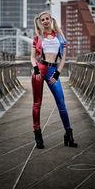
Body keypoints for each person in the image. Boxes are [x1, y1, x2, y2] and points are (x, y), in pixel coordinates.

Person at [31, 11, 77, 149]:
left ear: (51, 19)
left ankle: (68, 134)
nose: (45, 21)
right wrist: (36, 69)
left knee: (61, 104)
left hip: (53, 71)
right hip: (40, 69)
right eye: (42, 19)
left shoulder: (60, 37)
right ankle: (38, 135)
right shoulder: (38, 37)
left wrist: (57, 74)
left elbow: (63, 59)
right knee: (37, 103)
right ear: (40, 22)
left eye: (47, 18)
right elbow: (32, 57)